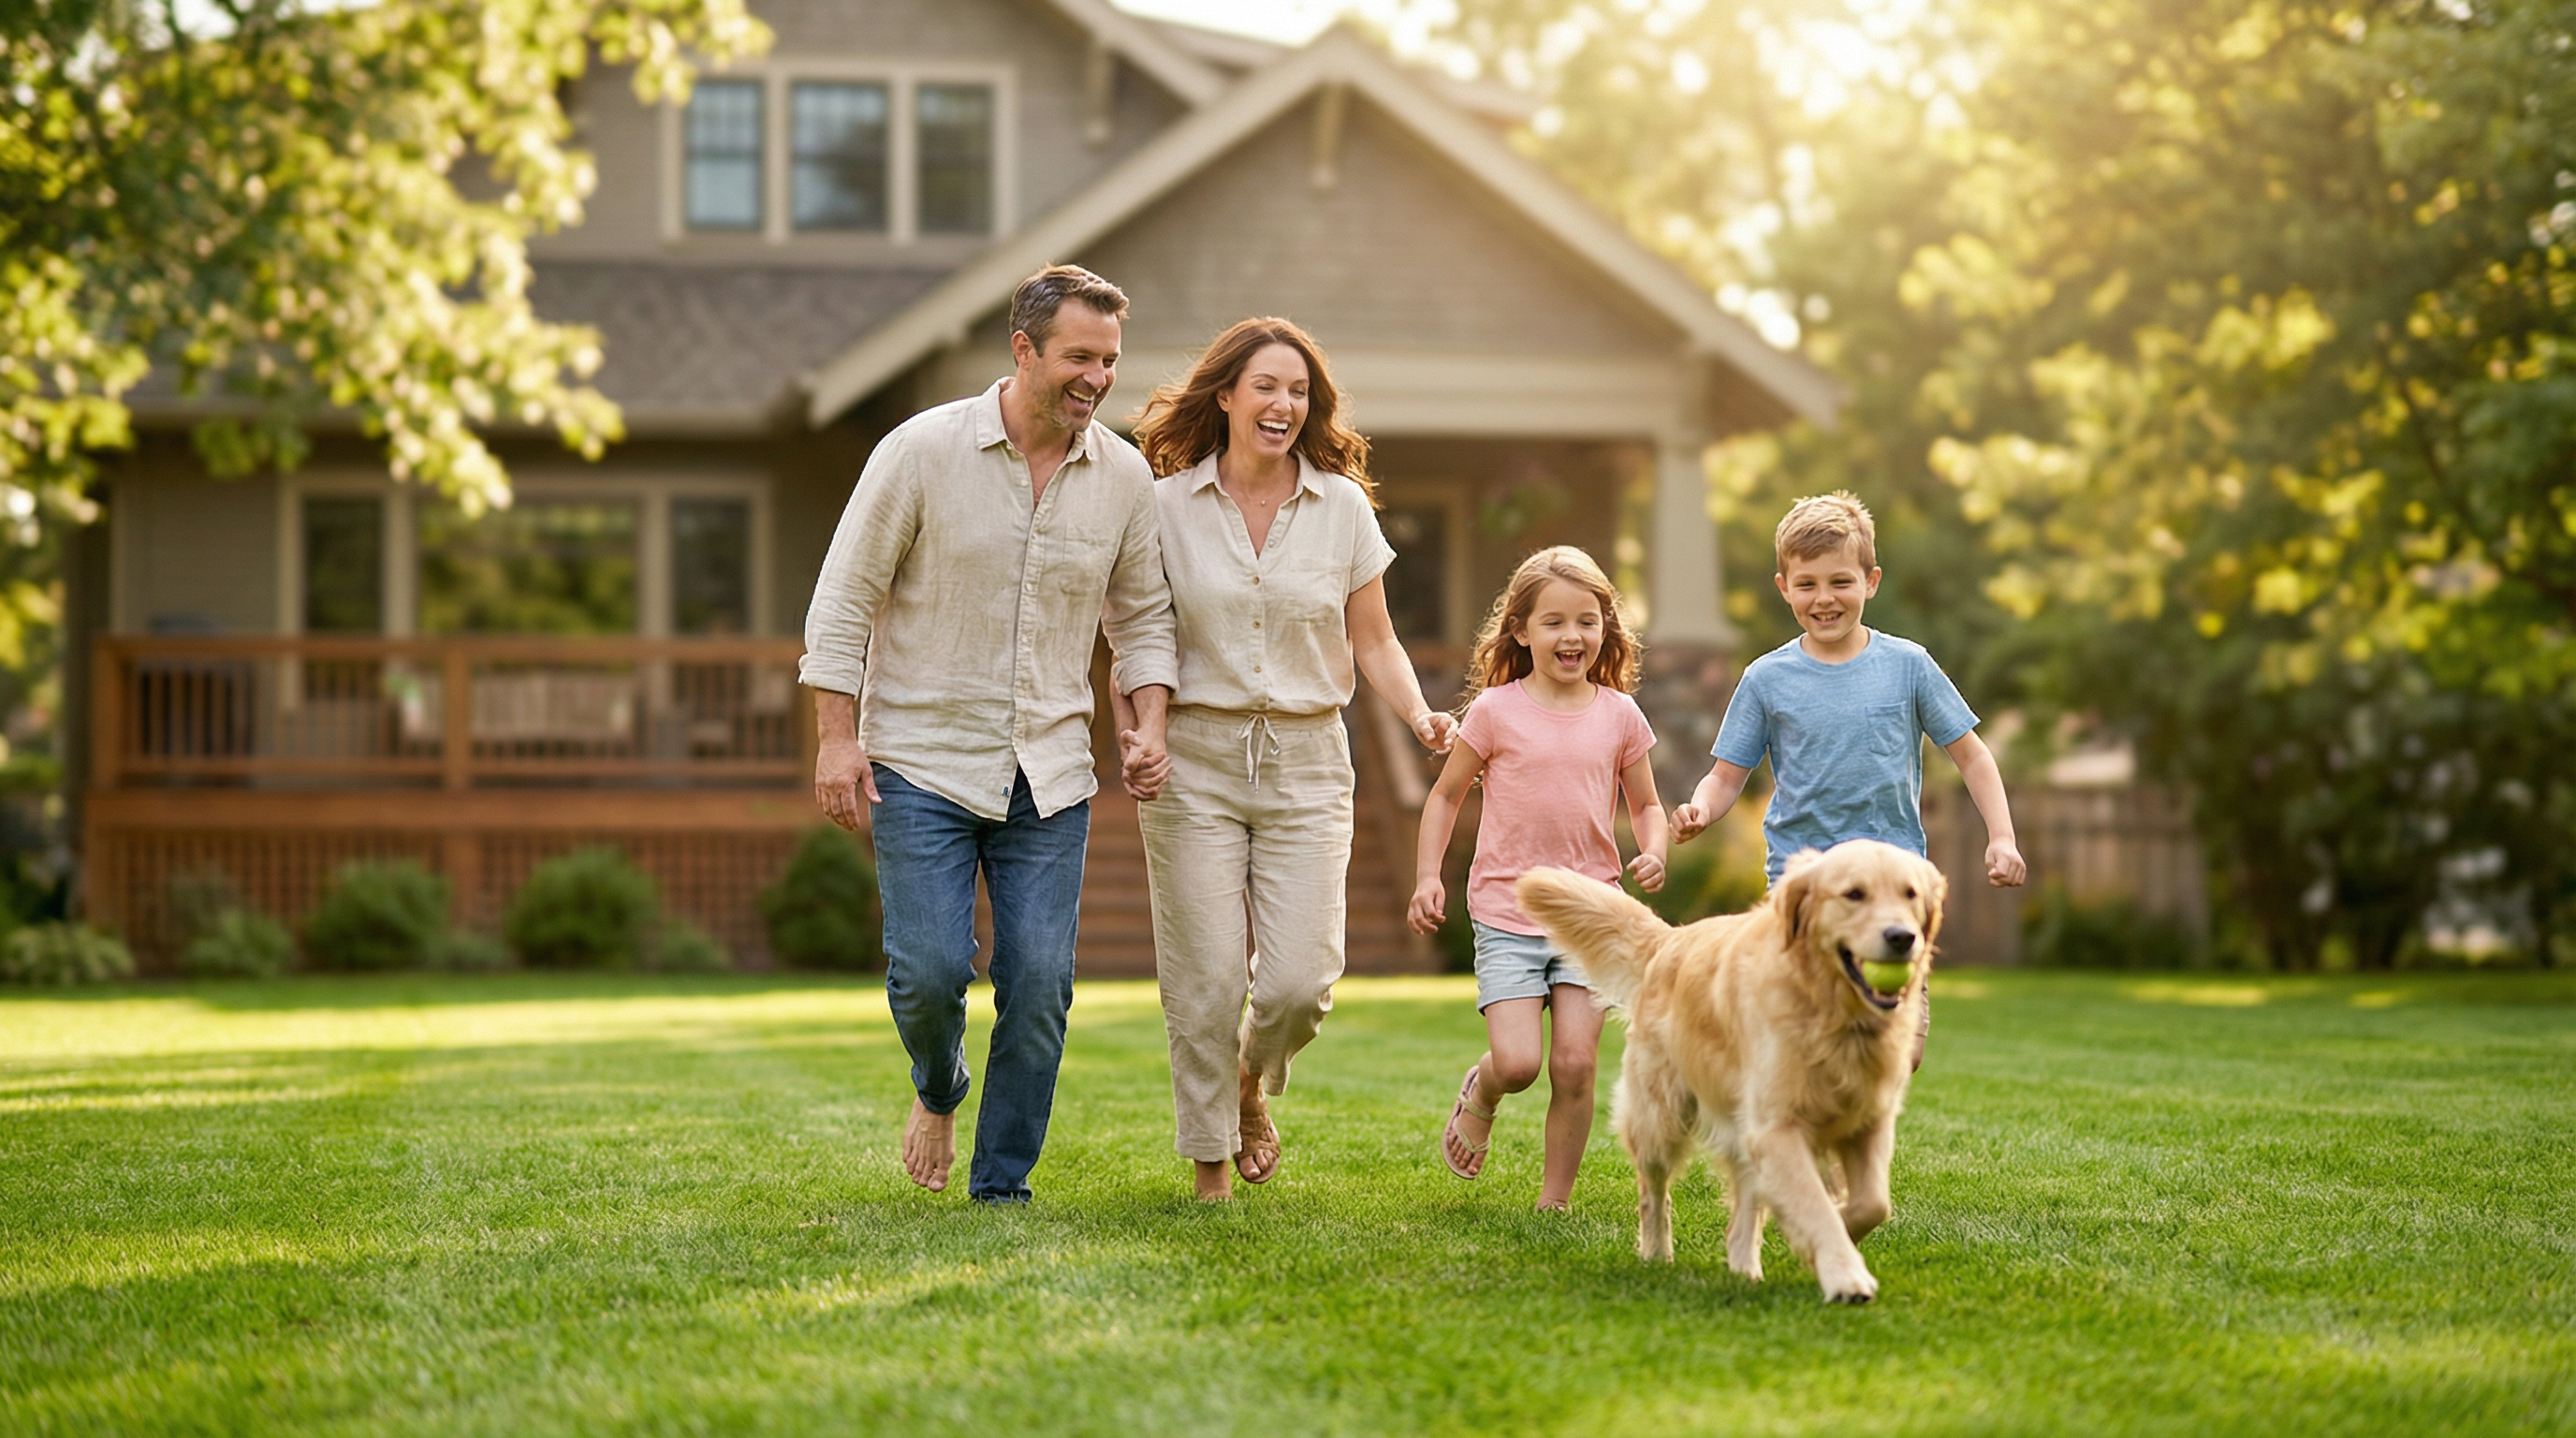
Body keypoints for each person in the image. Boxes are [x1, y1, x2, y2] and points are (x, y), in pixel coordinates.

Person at [803, 265, 1178, 1206]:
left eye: (1110, 361)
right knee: (929, 973)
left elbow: (1141, 621)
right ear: (1024, 351)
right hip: (921, 758)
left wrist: (1148, 724)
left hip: (1049, 771)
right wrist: (835, 739)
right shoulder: (920, 451)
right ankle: (939, 1085)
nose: (1096, 379)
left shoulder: (1123, 476)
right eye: (1078, 358)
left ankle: (1000, 1185)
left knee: (1040, 985)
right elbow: (845, 597)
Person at [1118, 316, 1456, 1203]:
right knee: (1206, 978)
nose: (1284, 404)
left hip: (1310, 759)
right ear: (1225, 395)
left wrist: (1419, 713)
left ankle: (1248, 1080)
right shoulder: (1164, 508)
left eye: (1299, 391)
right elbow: (1144, 632)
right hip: (1195, 759)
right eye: (1266, 386)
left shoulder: (1341, 506)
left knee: (1301, 983)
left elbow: (1374, 639)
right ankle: (1209, 1169)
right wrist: (1147, 727)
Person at [1670, 491, 2027, 1065]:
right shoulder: (1767, 678)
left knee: (1897, 1054)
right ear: (1783, 586)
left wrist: (2003, 837)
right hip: (1805, 892)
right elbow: (1725, 775)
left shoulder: (1908, 665)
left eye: (1841, 582)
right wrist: (1699, 810)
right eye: (1807, 584)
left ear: (1871, 581)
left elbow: (1973, 757)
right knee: (1806, 1046)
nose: (1824, 598)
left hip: (1891, 892)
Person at [1408, 546, 1668, 1211]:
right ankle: (1485, 1090)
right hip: (1506, 913)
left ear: (1605, 628)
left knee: (1576, 1064)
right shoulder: (1495, 711)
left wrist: (1654, 849)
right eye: (1553, 622)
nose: (1572, 636)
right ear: (1521, 630)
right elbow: (1444, 797)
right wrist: (1427, 878)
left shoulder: (1619, 716)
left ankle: (1554, 1202)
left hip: (1589, 917)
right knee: (1521, 1063)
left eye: (1587, 620)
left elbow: (1645, 804)